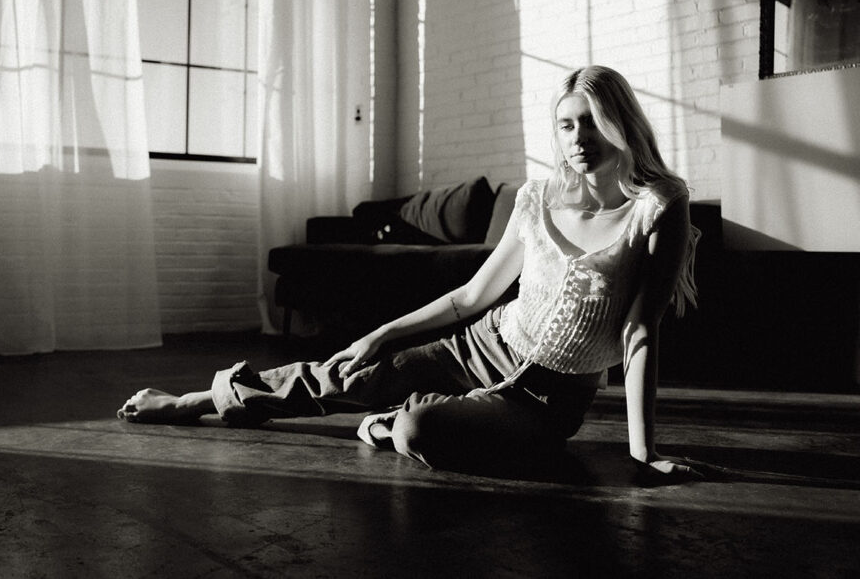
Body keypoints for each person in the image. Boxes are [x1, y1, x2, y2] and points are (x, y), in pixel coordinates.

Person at [118, 65, 702, 479]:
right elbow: (472, 295)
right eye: (567, 126)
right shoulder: (538, 198)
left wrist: (642, 452)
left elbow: (639, 333)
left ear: (620, 122)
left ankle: (390, 421)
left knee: (417, 431)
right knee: (345, 374)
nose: (579, 140)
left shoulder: (659, 207)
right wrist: (380, 336)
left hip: (546, 402)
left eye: (592, 122)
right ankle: (196, 401)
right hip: (483, 343)